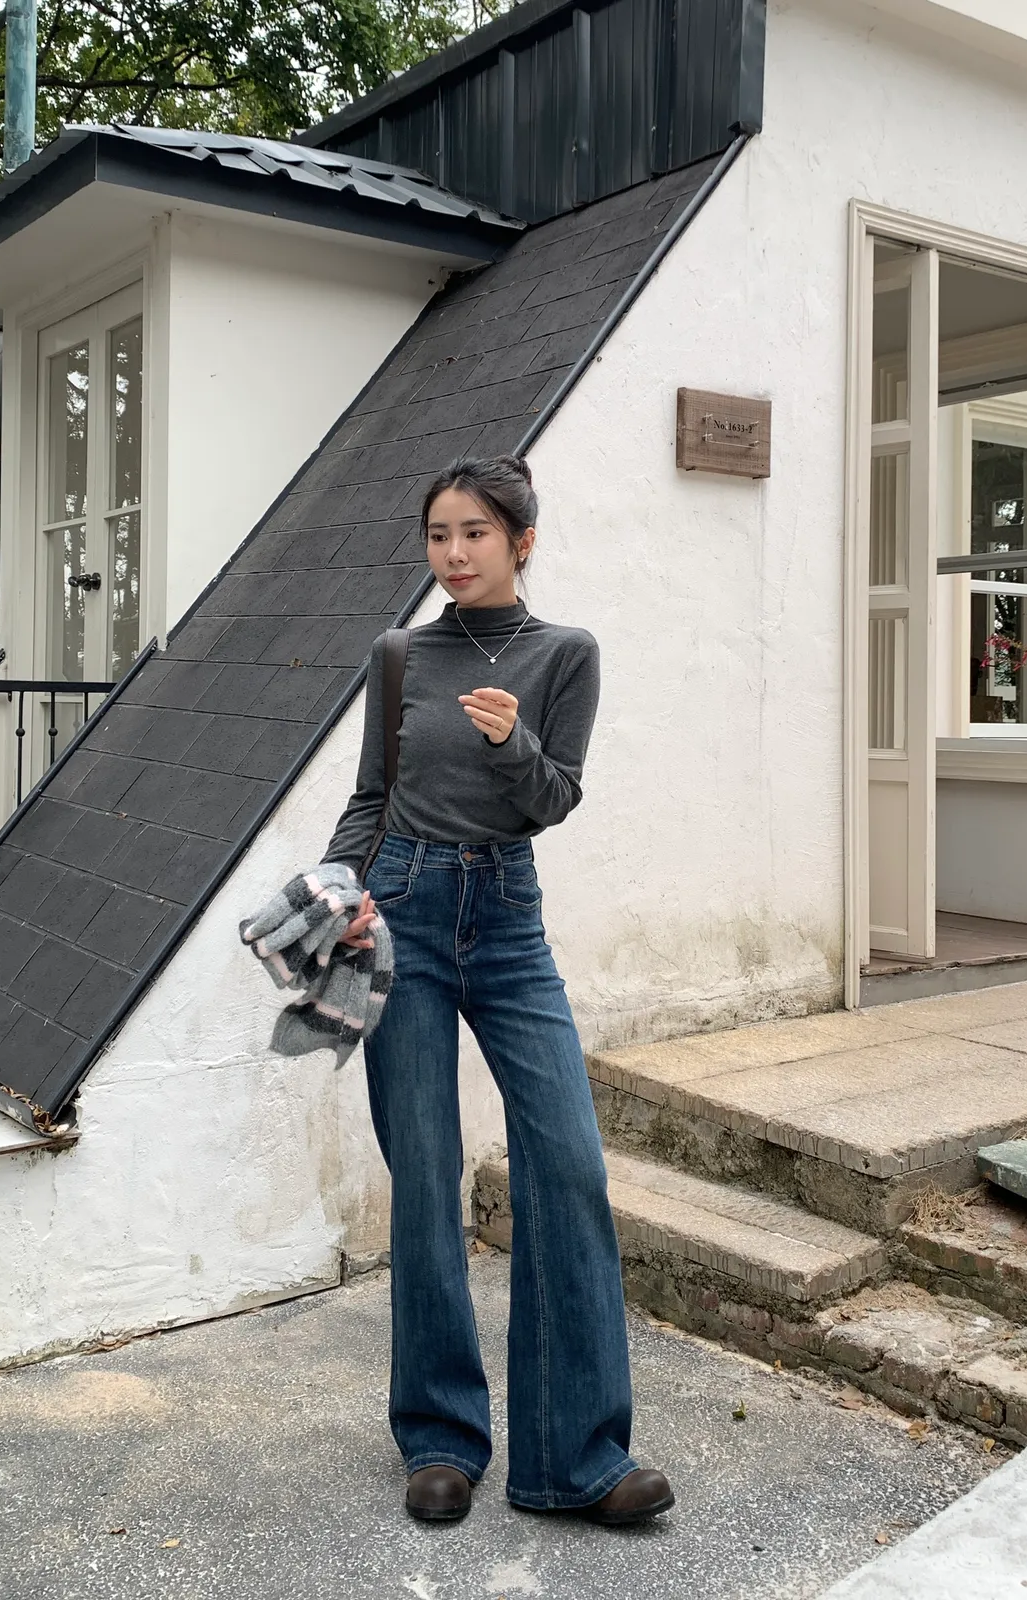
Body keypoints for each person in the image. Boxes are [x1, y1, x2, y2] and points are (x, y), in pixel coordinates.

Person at [324, 455, 674, 1526]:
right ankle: (439, 1438)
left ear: (522, 541)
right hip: (404, 907)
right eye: (438, 534)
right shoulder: (400, 655)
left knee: (566, 1162)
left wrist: (509, 738)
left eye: (474, 532)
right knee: (425, 1174)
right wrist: (340, 891)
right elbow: (371, 797)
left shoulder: (566, 652)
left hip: (507, 915)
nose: (453, 553)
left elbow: (554, 796)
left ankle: (578, 1456)